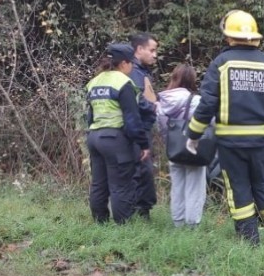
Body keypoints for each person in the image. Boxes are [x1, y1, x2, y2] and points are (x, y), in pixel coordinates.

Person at [185, 9, 264, 246]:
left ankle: (250, 241)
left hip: (230, 143)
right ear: (255, 36)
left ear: (228, 36)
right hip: (259, 142)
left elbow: (207, 104)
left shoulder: (221, 63)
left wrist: (193, 134)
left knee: (238, 188)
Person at [85, 43, 151, 224]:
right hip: (114, 138)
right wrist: (143, 144)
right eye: (131, 63)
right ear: (124, 63)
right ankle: (123, 226)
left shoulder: (94, 82)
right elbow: (132, 118)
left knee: (99, 183)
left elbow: (89, 115)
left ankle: (100, 223)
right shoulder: (123, 83)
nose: (132, 67)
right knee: (121, 185)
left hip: (94, 137)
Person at [157, 64, 207, 228]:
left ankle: (178, 223)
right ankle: (192, 225)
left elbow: (162, 127)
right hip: (194, 149)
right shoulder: (196, 101)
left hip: (173, 149)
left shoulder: (163, 101)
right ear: (192, 80)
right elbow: (207, 123)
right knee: (195, 188)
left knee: (177, 187)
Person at [128, 32, 159, 219]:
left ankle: (140, 210)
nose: (155, 55)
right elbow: (137, 100)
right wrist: (154, 107)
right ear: (139, 49)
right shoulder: (134, 72)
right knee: (142, 170)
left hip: (141, 128)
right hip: (138, 129)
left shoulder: (141, 71)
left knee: (142, 169)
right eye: (152, 50)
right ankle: (141, 213)